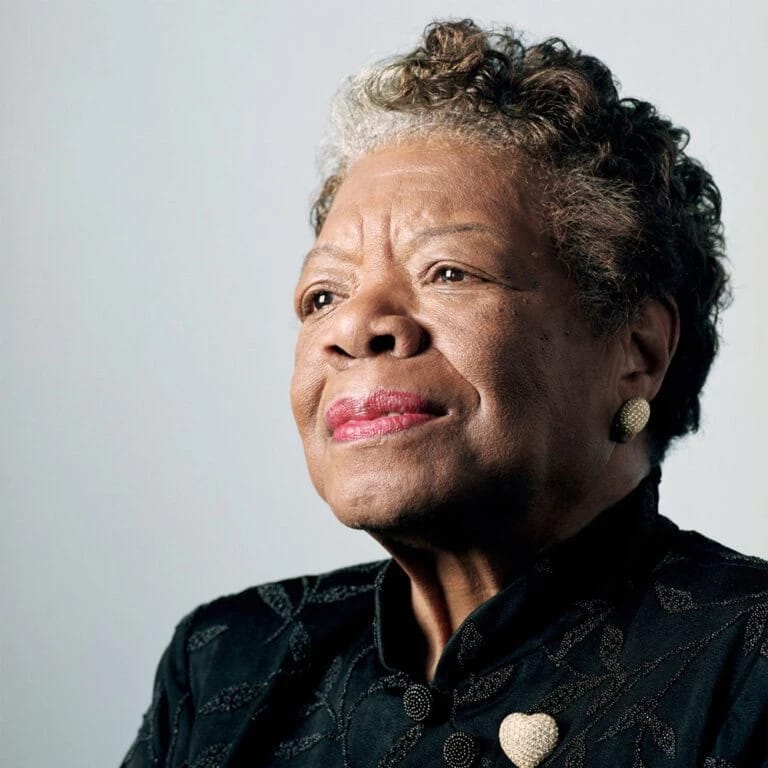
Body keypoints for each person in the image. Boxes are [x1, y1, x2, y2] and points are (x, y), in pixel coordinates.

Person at [122, 19, 767, 768]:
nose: (356, 326)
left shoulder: (744, 665)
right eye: (323, 295)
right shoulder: (225, 667)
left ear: (638, 350)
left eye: (449, 272)